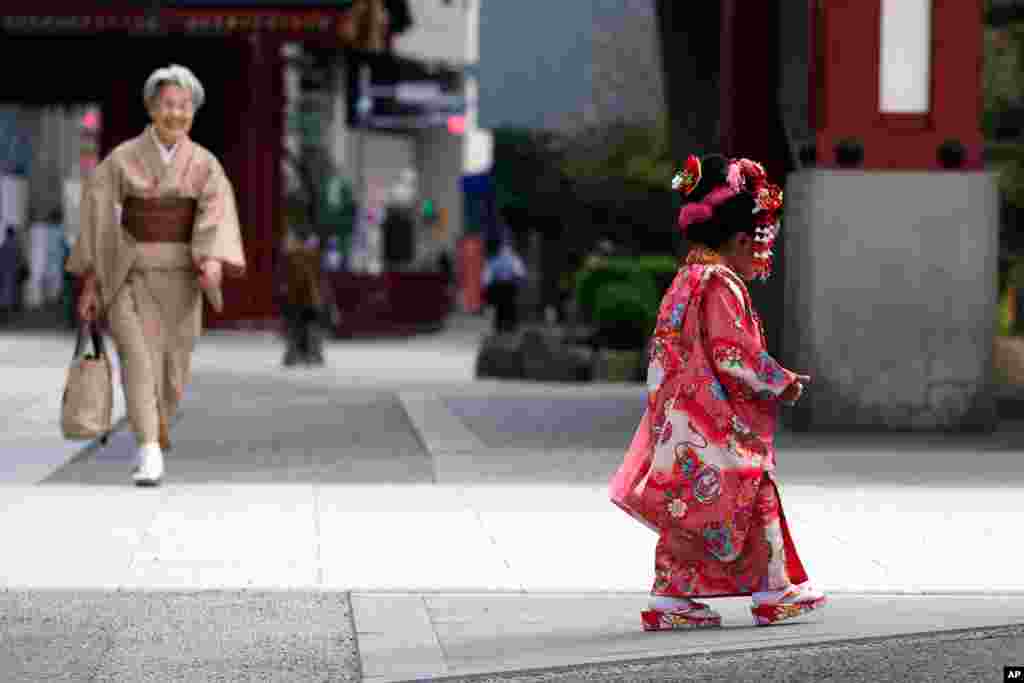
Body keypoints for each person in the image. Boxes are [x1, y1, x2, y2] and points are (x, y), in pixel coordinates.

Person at [609, 153, 825, 629]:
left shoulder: (687, 277)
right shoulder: (720, 281)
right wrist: (780, 381)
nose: (762, 255)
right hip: (715, 418)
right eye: (761, 243)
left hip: (682, 416)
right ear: (744, 238)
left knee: (686, 507)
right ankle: (774, 590)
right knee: (753, 489)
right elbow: (733, 351)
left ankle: (671, 597)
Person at [67, 64, 246, 486]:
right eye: (168, 105)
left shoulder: (205, 165)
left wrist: (212, 259)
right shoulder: (121, 161)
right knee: (138, 360)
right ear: (151, 108)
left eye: (184, 107)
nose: (176, 114)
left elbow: (215, 214)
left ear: (193, 112)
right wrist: (92, 282)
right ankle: (148, 450)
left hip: (183, 277)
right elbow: (98, 221)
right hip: (129, 274)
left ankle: (158, 420)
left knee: (173, 367)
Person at [276, 230, 325, 367]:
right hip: (306, 298)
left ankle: (302, 355)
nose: (286, 244)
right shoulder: (302, 255)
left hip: (302, 298)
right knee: (305, 327)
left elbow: (306, 280)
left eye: (289, 241)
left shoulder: (299, 256)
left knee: (300, 327)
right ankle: (308, 355)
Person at [482, 236, 526, 334]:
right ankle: (510, 327)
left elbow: (487, 276)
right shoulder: (514, 259)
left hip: (499, 286)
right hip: (510, 286)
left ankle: (500, 328)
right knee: (510, 307)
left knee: (500, 308)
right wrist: (519, 282)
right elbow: (521, 273)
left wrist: (486, 286)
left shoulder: (495, 259)